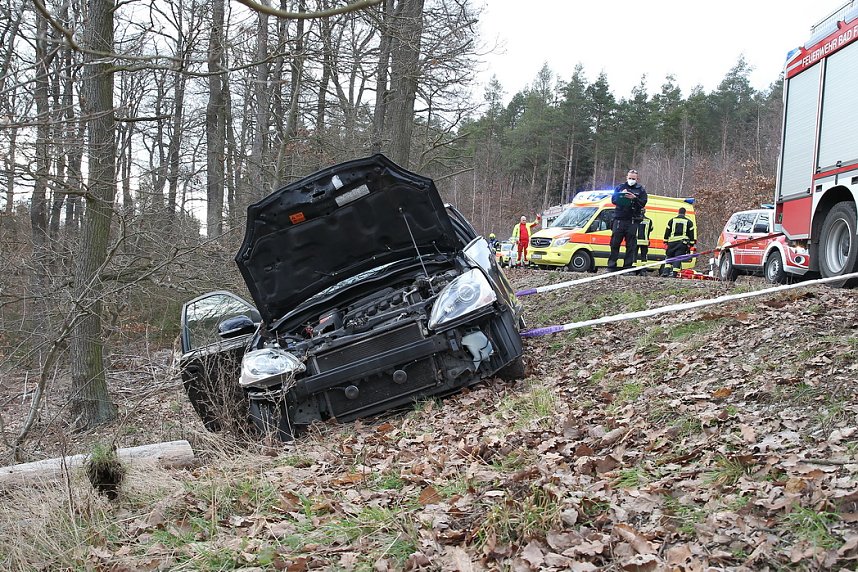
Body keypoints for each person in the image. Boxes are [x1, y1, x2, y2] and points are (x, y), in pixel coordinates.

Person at [607, 169, 648, 272]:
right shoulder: (620, 187)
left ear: (637, 179)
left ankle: (627, 267)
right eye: (630, 178)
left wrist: (634, 198)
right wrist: (621, 195)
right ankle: (611, 266)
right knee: (614, 243)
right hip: (619, 219)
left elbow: (643, 203)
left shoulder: (641, 190)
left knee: (631, 245)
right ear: (626, 177)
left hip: (632, 220)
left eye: (633, 178)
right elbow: (613, 200)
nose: (631, 180)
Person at [660, 207, 696, 277]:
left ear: (678, 212)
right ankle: (674, 274)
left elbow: (667, 231)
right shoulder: (689, 222)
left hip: (671, 243)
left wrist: (665, 241)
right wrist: (691, 244)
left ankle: (665, 272)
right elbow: (691, 234)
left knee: (669, 256)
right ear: (685, 213)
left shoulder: (672, 220)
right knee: (678, 258)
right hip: (681, 243)